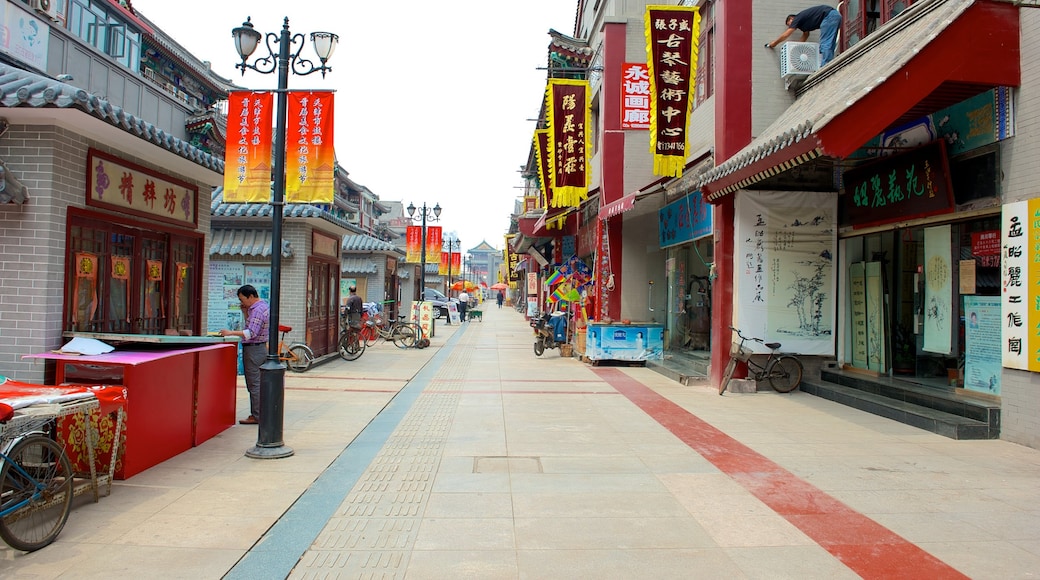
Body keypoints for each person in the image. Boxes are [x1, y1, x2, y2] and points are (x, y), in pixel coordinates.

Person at [219, 284, 269, 425]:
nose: (242, 303)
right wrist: (245, 313)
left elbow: (250, 333)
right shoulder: (262, 307)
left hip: (254, 350)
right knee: (257, 383)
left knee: (254, 383)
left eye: (242, 299)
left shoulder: (258, 310)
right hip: (259, 348)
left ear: (251, 296)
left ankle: (257, 415)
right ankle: (259, 413)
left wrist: (230, 333)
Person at [766, 5, 842, 66]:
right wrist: (798, 48)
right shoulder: (803, 24)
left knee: (825, 42)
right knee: (830, 42)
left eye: (789, 23)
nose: (790, 25)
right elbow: (805, 35)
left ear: (791, 19)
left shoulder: (797, 18)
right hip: (835, 15)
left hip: (828, 16)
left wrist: (774, 43)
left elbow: (786, 34)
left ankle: (826, 65)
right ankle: (829, 62)